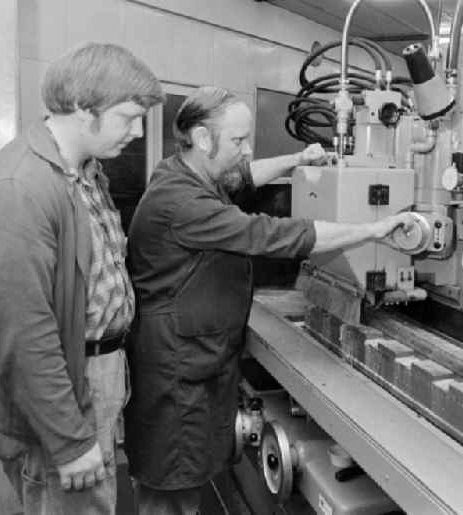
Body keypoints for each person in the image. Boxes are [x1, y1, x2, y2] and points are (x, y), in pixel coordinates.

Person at [124, 86, 412, 513]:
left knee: (184, 482)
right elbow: (275, 235)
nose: (247, 149)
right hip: (176, 370)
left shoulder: (184, 172)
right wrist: (373, 229)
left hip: (192, 358)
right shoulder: (183, 202)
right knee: (171, 490)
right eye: (238, 140)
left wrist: (298, 160)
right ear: (203, 138)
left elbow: (243, 177)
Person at [0, 42, 164, 514]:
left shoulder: (86, 172)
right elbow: (24, 335)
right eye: (128, 117)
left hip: (96, 375)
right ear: (81, 107)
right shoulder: (21, 190)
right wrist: (70, 441)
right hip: (62, 391)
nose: (137, 133)